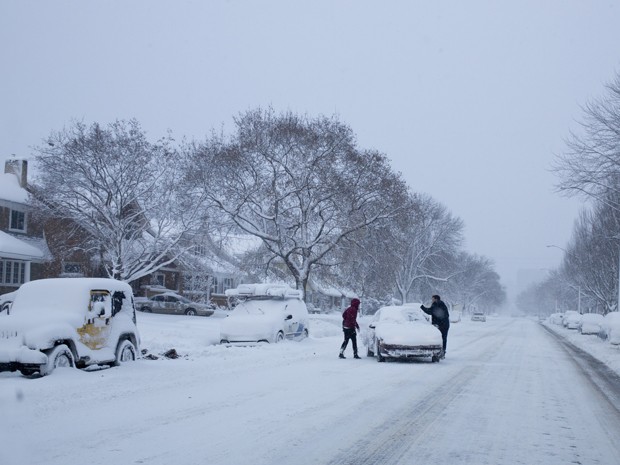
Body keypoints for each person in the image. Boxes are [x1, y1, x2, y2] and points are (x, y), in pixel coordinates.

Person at [420, 294, 450, 359]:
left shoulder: (436, 304)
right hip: (445, 324)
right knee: (443, 338)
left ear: (436, 299)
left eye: (432, 299)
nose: (432, 300)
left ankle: (441, 353)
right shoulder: (441, 304)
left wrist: (422, 307)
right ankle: (442, 353)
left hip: (441, 324)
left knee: (440, 339)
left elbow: (430, 311)